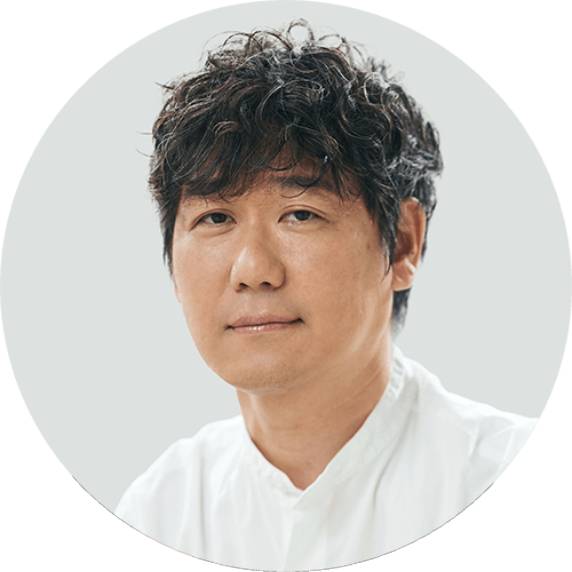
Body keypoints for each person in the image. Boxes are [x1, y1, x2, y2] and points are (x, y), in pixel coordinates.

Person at [115, 20, 535, 570]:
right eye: (215, 218)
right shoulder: (159, 514)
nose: (252, 270)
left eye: (300, 214)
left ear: (402, 243)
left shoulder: (512, 485)